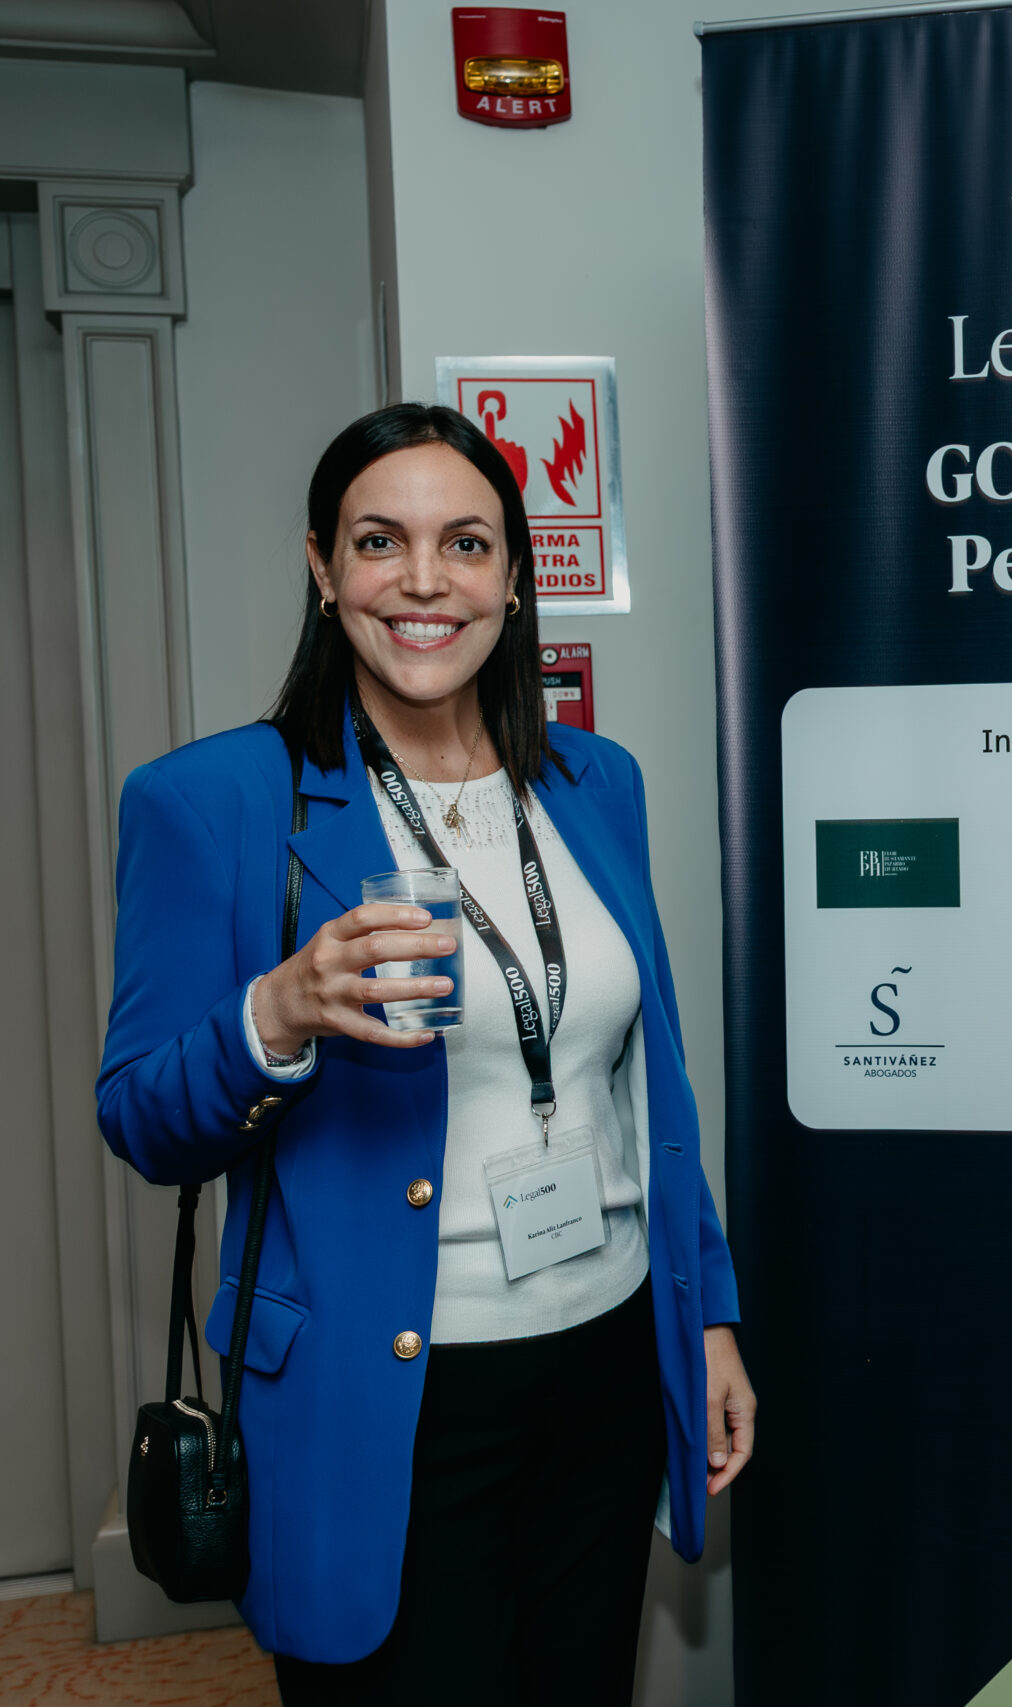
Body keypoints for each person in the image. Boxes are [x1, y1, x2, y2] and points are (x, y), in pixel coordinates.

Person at [96, 404, 755, 1704]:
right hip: (383, 1390)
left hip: (608, 1356)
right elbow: (142, 1118)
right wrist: (275, 1015)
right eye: (378, 541)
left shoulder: (595, 782)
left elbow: (648, 1086)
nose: (422, 580)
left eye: (464, 543)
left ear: (512, 578)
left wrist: (710, 1314)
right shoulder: (216, 802)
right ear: (323, 568)